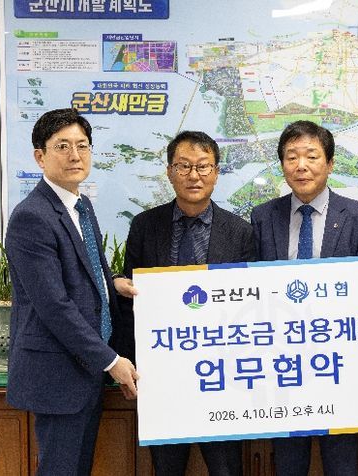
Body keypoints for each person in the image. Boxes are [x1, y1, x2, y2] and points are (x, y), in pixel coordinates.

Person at [5, 108, 139, 475]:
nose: (75, 155)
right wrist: (110, 361)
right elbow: (54, 305)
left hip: (85, 370)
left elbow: (84, 266)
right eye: (62, 146)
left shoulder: (80, 205)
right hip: (58, 374)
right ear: (40, 156)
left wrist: (112, 282)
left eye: (82, 145)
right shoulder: (32, 216)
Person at [113, 130, 254, 476]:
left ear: (216, 172)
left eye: (203, 166)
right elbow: (131, 303)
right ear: (169, 172)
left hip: (223, 379)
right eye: (184, 166)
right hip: (162, 377)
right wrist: (128, 361)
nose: (194, 176)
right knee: (167, 468)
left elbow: (250, 306)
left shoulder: (240, 232)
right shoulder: (145, 226)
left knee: (226, 469)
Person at [250, 120, 358, 476]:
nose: (301, 166)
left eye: (311, 156)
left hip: (339, 367)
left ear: (330, 163)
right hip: (283, 368)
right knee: (288, 465)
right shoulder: (263, 217)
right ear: (282, 165)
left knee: (342, 465)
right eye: (291, 157)